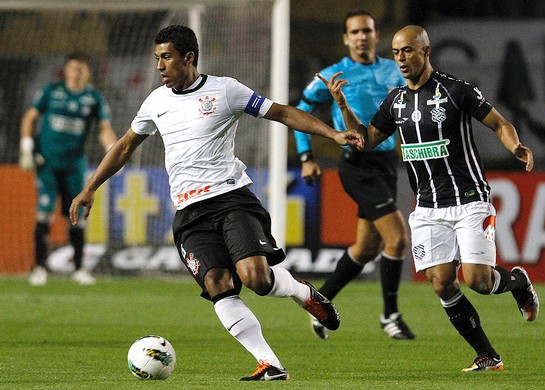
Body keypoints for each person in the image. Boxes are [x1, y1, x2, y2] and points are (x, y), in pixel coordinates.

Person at [69, 25, 362, 381]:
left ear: (188, 58)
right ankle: (270, 364)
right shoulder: (155, 102)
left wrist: (331, 134)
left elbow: (282, 112)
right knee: (216, 283)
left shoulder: (225, 90)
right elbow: (126, 146)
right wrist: (91, 187)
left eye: (166, 57)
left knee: (255, 278)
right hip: (189, 214)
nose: (159, 66)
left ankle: (303, 292)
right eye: (156, 58)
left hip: (231, 200)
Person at [318, 25, 540, 372]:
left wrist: (515, 146)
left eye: (407, 51)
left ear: (426, 50)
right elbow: (366, 139)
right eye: (396, 53)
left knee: (478, 281)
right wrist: (343, 106)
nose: (401, 59)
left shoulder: (456, 91)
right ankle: (488, 356)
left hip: (468, 197)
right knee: (441, 282)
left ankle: (517, 282)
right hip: (428, 206)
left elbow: (499, 123)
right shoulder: (396, 101)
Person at [294, 8, 414, 341]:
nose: (362, 37)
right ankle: (390, 316)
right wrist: (306, 156)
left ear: (376, 36)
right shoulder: (332, 74)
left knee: (365, 248)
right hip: (357, 165)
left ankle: (319, 302)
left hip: (387, 162)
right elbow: (300, 112)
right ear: (346, 39)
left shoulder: (394, 71)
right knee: (398, 238)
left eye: (367, 31)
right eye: (355, 32)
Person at [19, 52, 118, 286]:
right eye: (73, 68)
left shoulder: (93, 98)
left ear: (88, 73)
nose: (76, 73)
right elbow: (30, 117)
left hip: (75, 165)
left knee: (76, 216)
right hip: (48, 164)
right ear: (65, 70)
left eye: (81, 69)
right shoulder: (51, 92)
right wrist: (26, 144)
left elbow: (104, 127)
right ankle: (39, 268)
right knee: (44, 212)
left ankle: (79, 269)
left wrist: (114, 150)